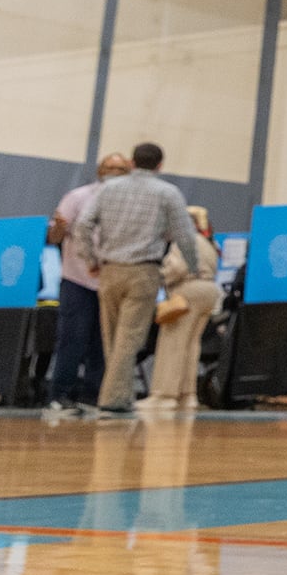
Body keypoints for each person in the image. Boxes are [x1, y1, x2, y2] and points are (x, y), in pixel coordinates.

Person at [74, 142, 200, 418]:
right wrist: (193, 267)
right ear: (160, 165)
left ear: (132, 162)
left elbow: (82, 224)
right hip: (143, 271)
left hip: (109, 270)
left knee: (112, 337)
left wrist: (90, 259)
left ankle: (118, 396)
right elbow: (186, 235)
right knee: (129, 339)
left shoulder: (108, 189)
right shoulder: (168, 193)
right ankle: (112, 401)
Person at [46, 152, 132, 413]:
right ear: (99, 170)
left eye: (119, 168)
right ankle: (59, 395)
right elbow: (54, 237)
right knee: (72, 338)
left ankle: (93, 396)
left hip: (112, 281)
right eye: (109, 167)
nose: (114, 172)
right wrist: (60, 226)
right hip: (77, 280)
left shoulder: (132, 201)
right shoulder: (78, 197)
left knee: (103, 342)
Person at [142, 206, 221, 411]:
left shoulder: (185, 240)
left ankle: (165, 396)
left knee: (173, 344)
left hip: (187, 292)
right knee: (192, 346)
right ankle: (188, 395)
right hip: (208, 291)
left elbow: (177, 268)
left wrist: (159, 276)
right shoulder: (208, 243)